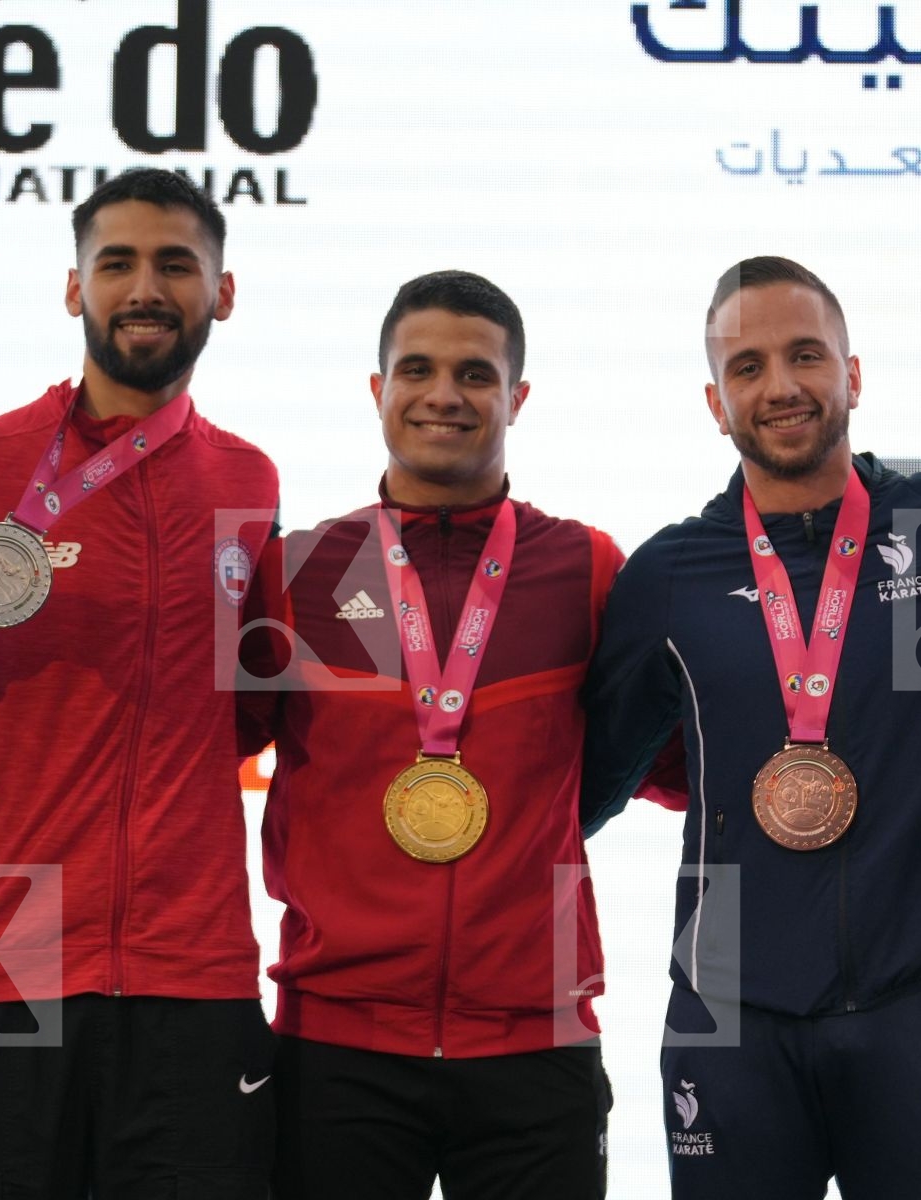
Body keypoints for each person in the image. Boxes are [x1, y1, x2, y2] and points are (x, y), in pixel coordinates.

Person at [0, 168, 280, 1197]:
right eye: (115, 263)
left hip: (191, 970)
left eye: (176, 263)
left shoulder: (252, 482)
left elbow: (247, 715)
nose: (145, 288)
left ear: (224, 291)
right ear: (74, 289)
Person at [580, 256, 921, 1200]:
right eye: (747, 367)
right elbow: (582, 787)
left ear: (853, 374)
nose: (782, 386)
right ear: (716, 402)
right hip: (728, 1021)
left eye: (806, 355)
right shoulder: (668, 576)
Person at [237, 270, 619, 1199]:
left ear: (517, 398)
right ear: (378, 391)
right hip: (336, 1044)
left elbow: (677, 762)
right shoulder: (294, 573)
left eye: (476, 374)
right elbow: (191, 751)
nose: (444, 394)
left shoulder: (587, 569)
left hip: (536, 1042)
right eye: (417, 369)